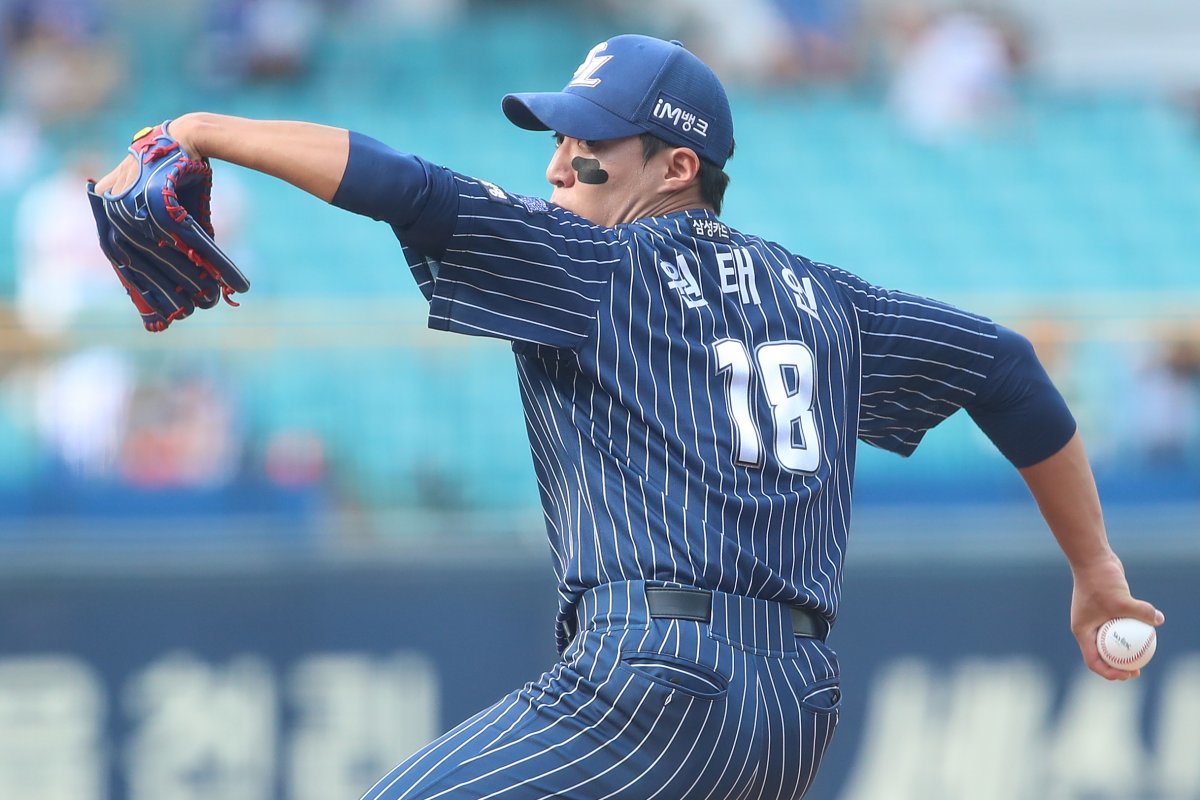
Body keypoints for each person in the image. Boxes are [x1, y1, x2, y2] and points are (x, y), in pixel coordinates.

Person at [92, 33, 1163, 800]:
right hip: (795, 707)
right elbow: (1009, 371)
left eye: (590, 143)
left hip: (651, 678)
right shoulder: (832, 300)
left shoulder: (594, 263)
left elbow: (405, 185)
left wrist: (197, 128)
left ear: (677, 167)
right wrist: (1097, 570)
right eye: (556, 136)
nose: (559, 161)